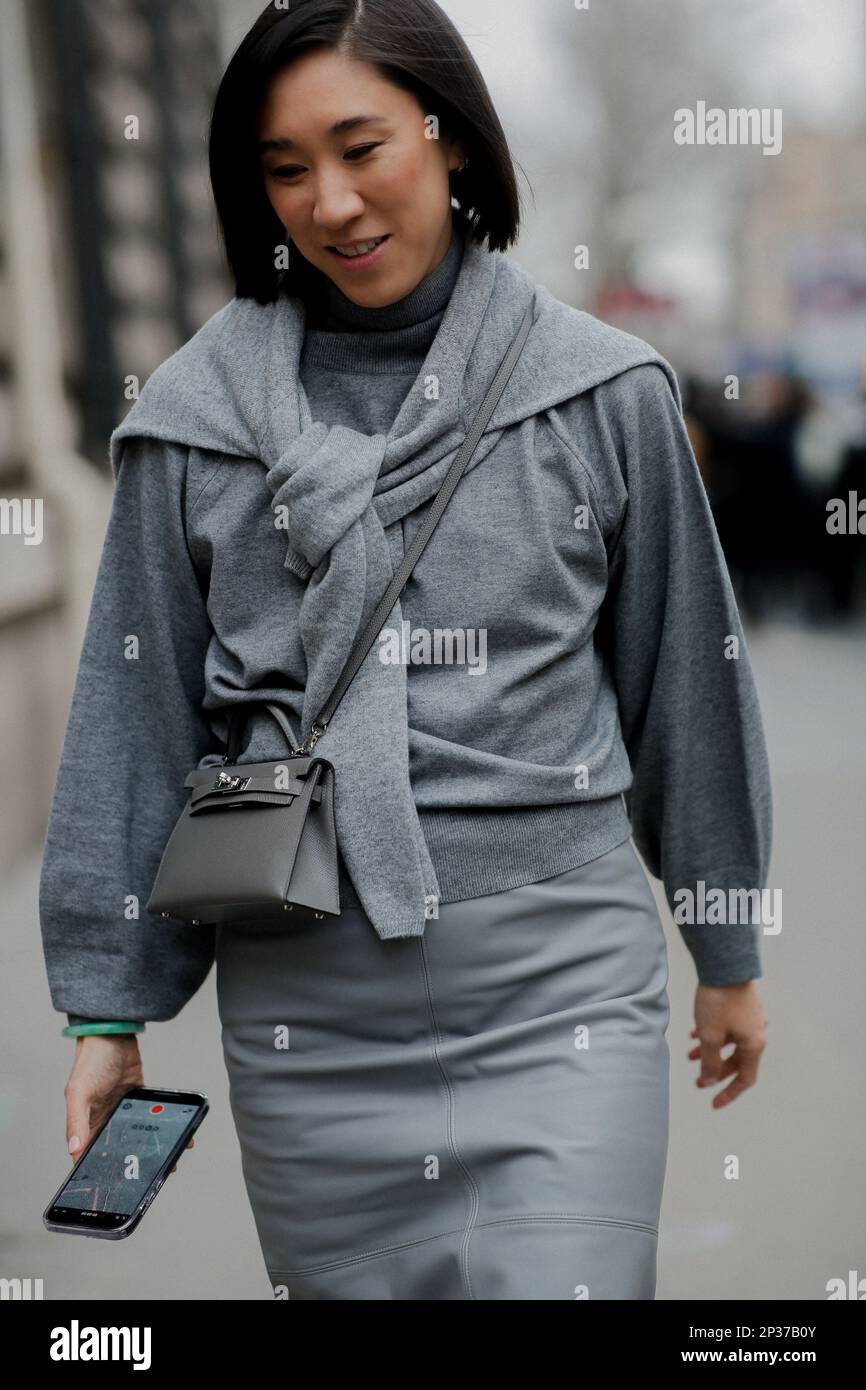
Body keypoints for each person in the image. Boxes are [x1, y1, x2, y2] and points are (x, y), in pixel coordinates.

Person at [39, 0, 771, 1301]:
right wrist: (108, 1008)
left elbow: (687, 687)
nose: (328, 202)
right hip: (304, 1012)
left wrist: (726, 948)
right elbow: (132, 720)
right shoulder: (192, 422)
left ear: (451, 142)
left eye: (360, 146)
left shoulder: (601, 392)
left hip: (561, 987)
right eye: (283, 167)